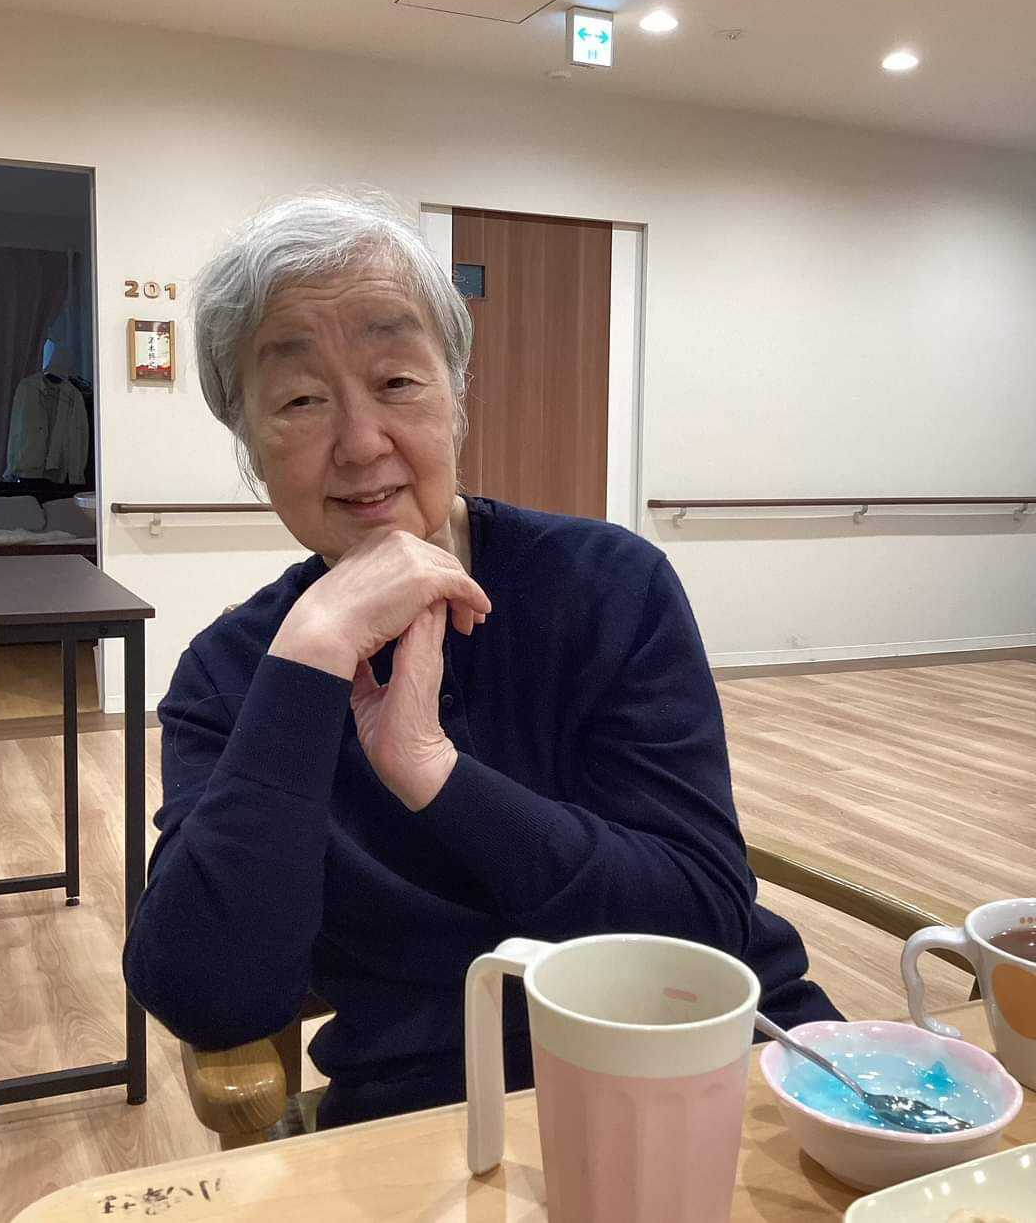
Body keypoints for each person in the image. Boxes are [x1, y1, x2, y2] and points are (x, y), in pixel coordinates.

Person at [123, 190, 842, 1131]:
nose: (363, 443)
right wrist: (308, 658)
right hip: (430, 1110)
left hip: (708, 1053)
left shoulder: (608, 585)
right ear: (250, 446)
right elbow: (209, 995)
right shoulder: (235, 674)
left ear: (456, 395)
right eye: (300, 400)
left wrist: (436, 775)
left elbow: (700, 918)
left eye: (397, 382)